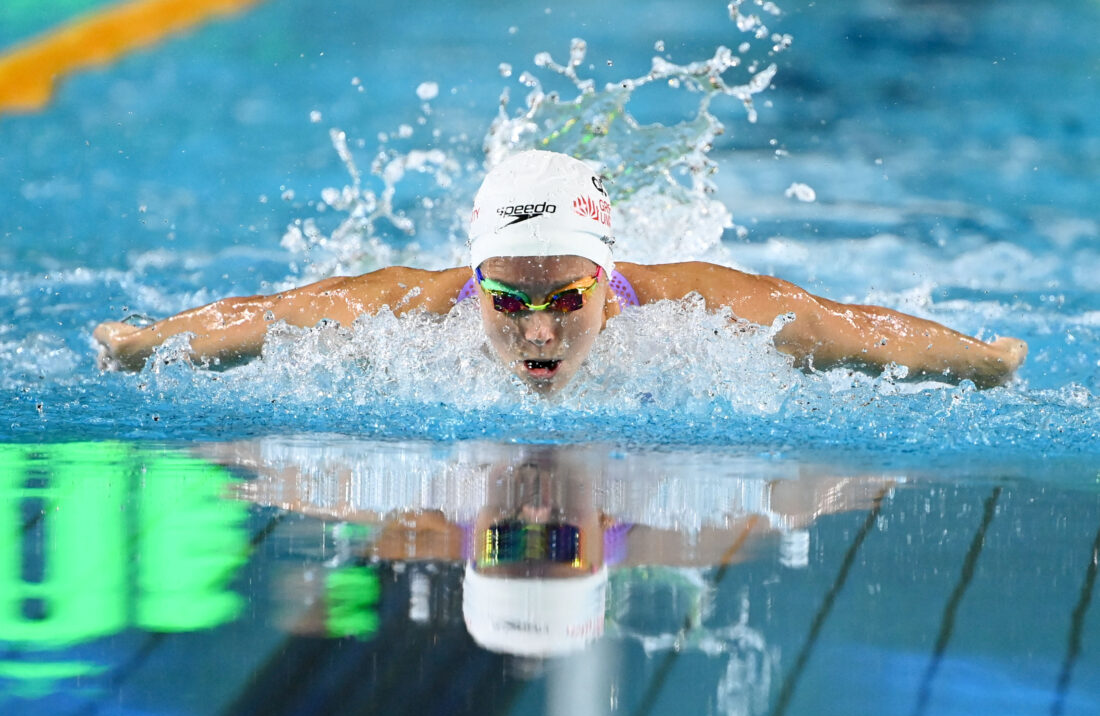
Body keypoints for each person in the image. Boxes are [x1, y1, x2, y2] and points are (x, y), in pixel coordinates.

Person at [94, 150, 1027, 392]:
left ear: (603, 284)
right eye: (510, 301)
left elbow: (855, 330)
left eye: (565, 300)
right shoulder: (410, 308)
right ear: (478, 283)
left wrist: (986, 360)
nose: (538, 332)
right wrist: (144, 344)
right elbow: (271, 315)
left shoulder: (699, 305)